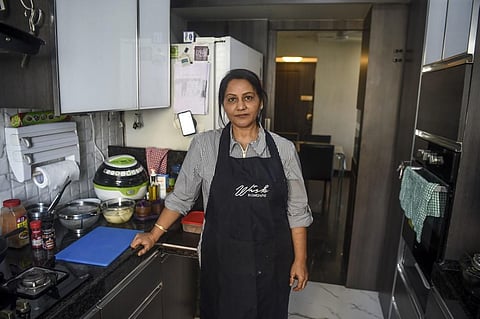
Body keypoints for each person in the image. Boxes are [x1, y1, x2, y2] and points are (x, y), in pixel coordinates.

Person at [130, 68, 313, 319]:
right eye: (232, 99)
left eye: (248, 98)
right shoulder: (205, 146)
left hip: (271, 262)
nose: (240, 106)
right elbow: (182, 197)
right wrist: (153, 235)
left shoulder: (284, 150)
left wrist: (300, 259)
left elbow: (297, 210)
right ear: (223, 105)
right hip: (222, 262)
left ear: (260, 102)